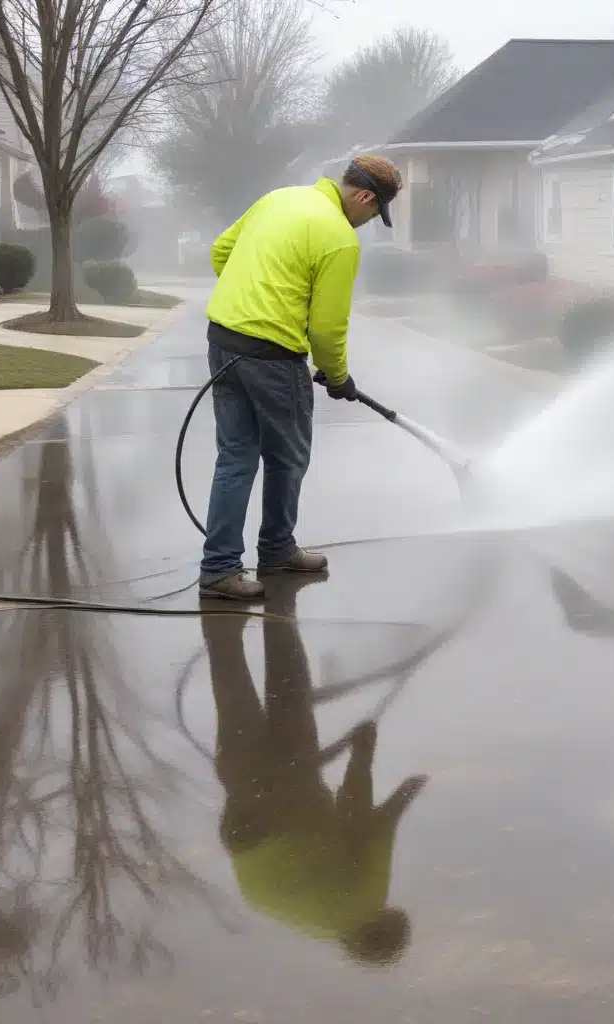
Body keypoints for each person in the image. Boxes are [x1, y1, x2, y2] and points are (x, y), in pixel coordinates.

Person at [199, 155, 405, 601]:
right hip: (273, 358)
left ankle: (218, 569)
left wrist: (250, 301)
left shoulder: (279, 199)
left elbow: (220, 252)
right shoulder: (337, 239)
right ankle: (275, 550)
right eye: (374, 213)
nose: (369, 222)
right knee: (287, 458)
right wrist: (338, 377)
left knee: (235, 456)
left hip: (224, 342)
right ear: (365, 197)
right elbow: (326, 329)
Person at [202, 575, 427, 964]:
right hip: (244, 823)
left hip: (288, 809)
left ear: (384, 922)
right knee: (232, 687)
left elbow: (368, 823)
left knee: (290, 696)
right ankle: (221, 612)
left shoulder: (363, 901)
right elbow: (349, 823)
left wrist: (374, 764)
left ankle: (279, 604)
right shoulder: (319, 924)